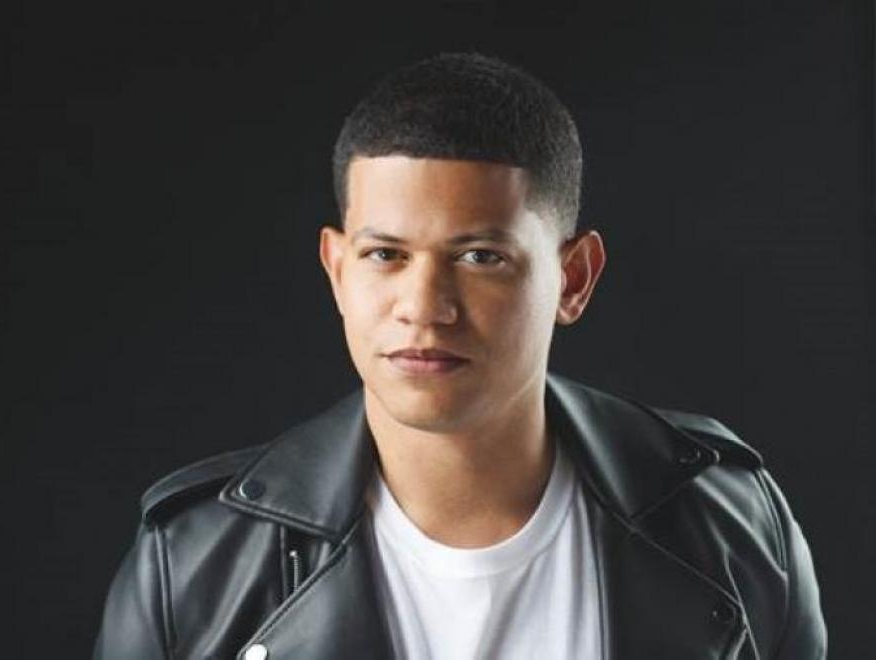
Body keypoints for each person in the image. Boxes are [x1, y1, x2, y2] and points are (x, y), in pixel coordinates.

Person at [93, 52, 826, 659]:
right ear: (337, 271)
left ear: (573, 278)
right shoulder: (193, 562)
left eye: (480, 257)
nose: (424, 306)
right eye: (385, 255)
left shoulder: (729, 523)